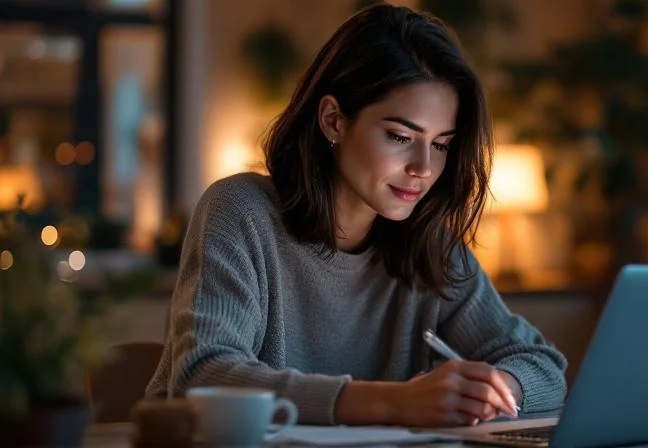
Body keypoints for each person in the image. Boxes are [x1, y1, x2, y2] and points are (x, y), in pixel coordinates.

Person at [146, 3, 567, 427]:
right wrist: (394, 403)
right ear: (333, 120)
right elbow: (203, 375)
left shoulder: (428, 244)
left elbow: (544, 367)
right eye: (400, 136)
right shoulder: (240, 211)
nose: (424, 168)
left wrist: (494, 391)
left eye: (441, 144)